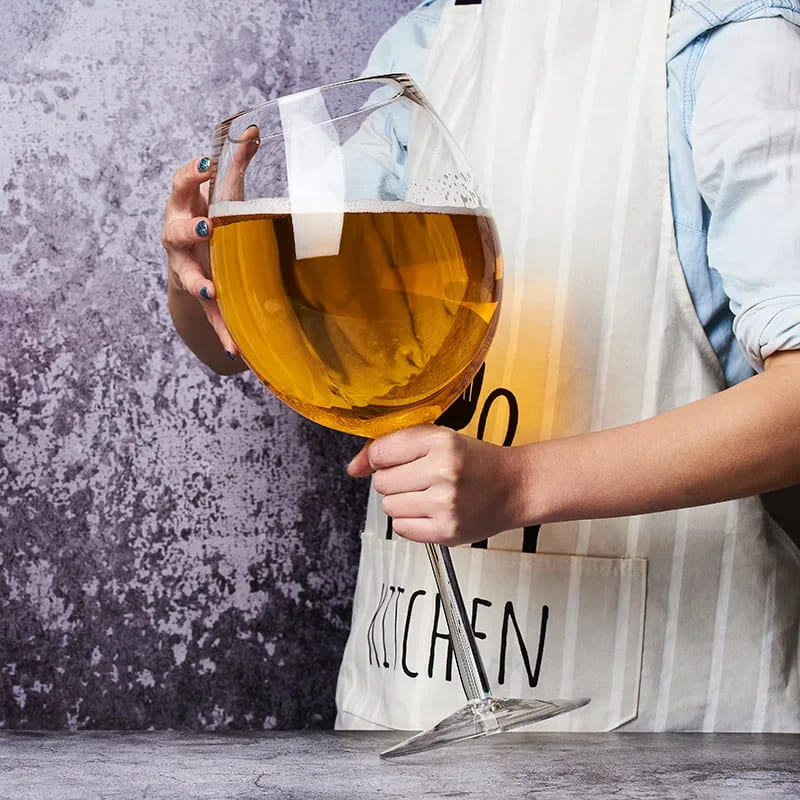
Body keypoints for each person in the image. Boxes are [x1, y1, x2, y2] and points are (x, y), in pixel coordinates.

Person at [162, 0, 800, 733]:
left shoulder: (731, 39)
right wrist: (200, 281)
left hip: (672, 726)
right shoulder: (426, 43)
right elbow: (259, 341)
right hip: (413, 698)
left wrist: (522, 483)